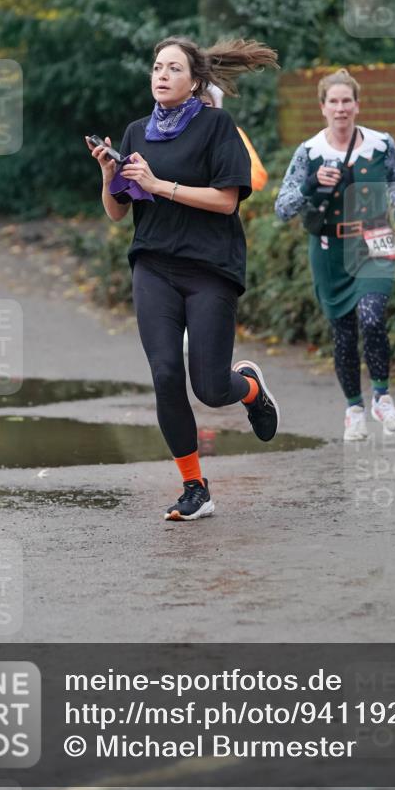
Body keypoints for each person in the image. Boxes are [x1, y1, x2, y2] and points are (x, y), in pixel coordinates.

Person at [89, 36, 280, 521]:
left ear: (194, 81)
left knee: (211, 388)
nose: (161, 75)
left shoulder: (218, 126)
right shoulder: (136, 132)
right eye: (157, 67)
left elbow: (227, 200)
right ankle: (195, 486)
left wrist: (160, 185)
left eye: (173, 68)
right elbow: (117, 212)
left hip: (210, 268)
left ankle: (251, 389)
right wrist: (110, 175)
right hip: (153, 265)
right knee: (165, 375)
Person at [274, 68, 395, 441]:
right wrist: (310, 184)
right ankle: (354, 408)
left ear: (357, 104)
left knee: (370, 316)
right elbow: (283, 208)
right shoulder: (309, 153)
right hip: (329, 251)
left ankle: (382, 398)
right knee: (344, 332)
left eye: (346, 101)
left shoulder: (381, 144)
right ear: (322, 107)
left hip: (374, 241)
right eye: (333, 102)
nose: (340, 108)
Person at [200, 85, 269, 192]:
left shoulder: (232, 134)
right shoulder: (170, 134)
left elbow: (257, 177)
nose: (200, 110)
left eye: (206, 104)